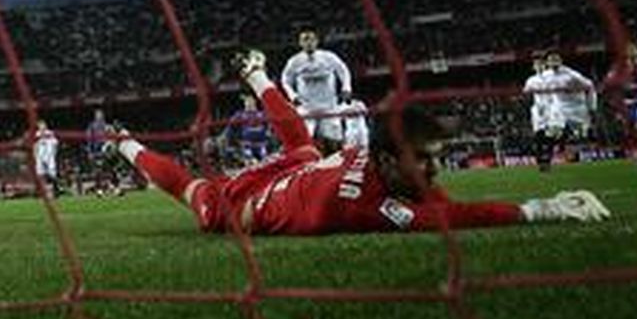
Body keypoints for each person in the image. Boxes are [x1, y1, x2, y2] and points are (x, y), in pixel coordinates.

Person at [118, 50, 610, 236]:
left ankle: (257, 77)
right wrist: (537, 209)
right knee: (194, 192)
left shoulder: (378, 166)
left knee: (307, 149)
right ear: (387, 163)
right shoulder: (362, 206)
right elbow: (443, 217)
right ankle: (124, 144)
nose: (432, 174)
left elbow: (438, 200)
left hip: (298, 173)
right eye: (422, 162)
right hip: (242, 204)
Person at [523, 49, 598, 172]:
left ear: (561, 60)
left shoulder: (572, 75)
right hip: (559, 109)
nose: (553, 62)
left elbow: (590, 86)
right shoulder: (545, 76)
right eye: (550, 60)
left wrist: (592, 107)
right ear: (547, 62)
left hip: (577, 108)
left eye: (555, 59)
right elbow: (533, 89)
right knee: (550, 134)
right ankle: (546, 159)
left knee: (578, 134)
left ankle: (579, 140)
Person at [280, 29, 352, 147]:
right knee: (304, 142)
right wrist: (293, 96)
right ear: (300, 43)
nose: (309, 43)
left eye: (311, 39)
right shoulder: (294, 61)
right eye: (305, 39)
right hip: (306, 108)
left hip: (329, 106)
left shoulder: (328, 57)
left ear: (317, 41)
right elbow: (285, 80)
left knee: (335, 142)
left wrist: (346, 88)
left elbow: (343, 70)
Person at [219, 94, 271, 165]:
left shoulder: (262, 114)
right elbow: (230, 126)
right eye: (247, 103)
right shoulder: (240, 114)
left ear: (254, 103)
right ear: (245, 104)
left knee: (265, 160)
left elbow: (270, 125)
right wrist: (225, 137)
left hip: (261, 143)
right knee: (250, 161)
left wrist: (269, 132)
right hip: (247, 144)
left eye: (251, 102)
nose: (249, 104)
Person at [33, 119, 61, 195]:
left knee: (52, 173)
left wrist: (53, 153)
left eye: (43, 125)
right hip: (40, 156)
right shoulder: (36, 135)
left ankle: (56, 189)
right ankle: (41, 191)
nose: (41, 127)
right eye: (40, 125)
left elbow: (55, 144)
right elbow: (35, 146)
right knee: (40, 173)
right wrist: (35, 155)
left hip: (49, 156)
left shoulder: (50, 134)